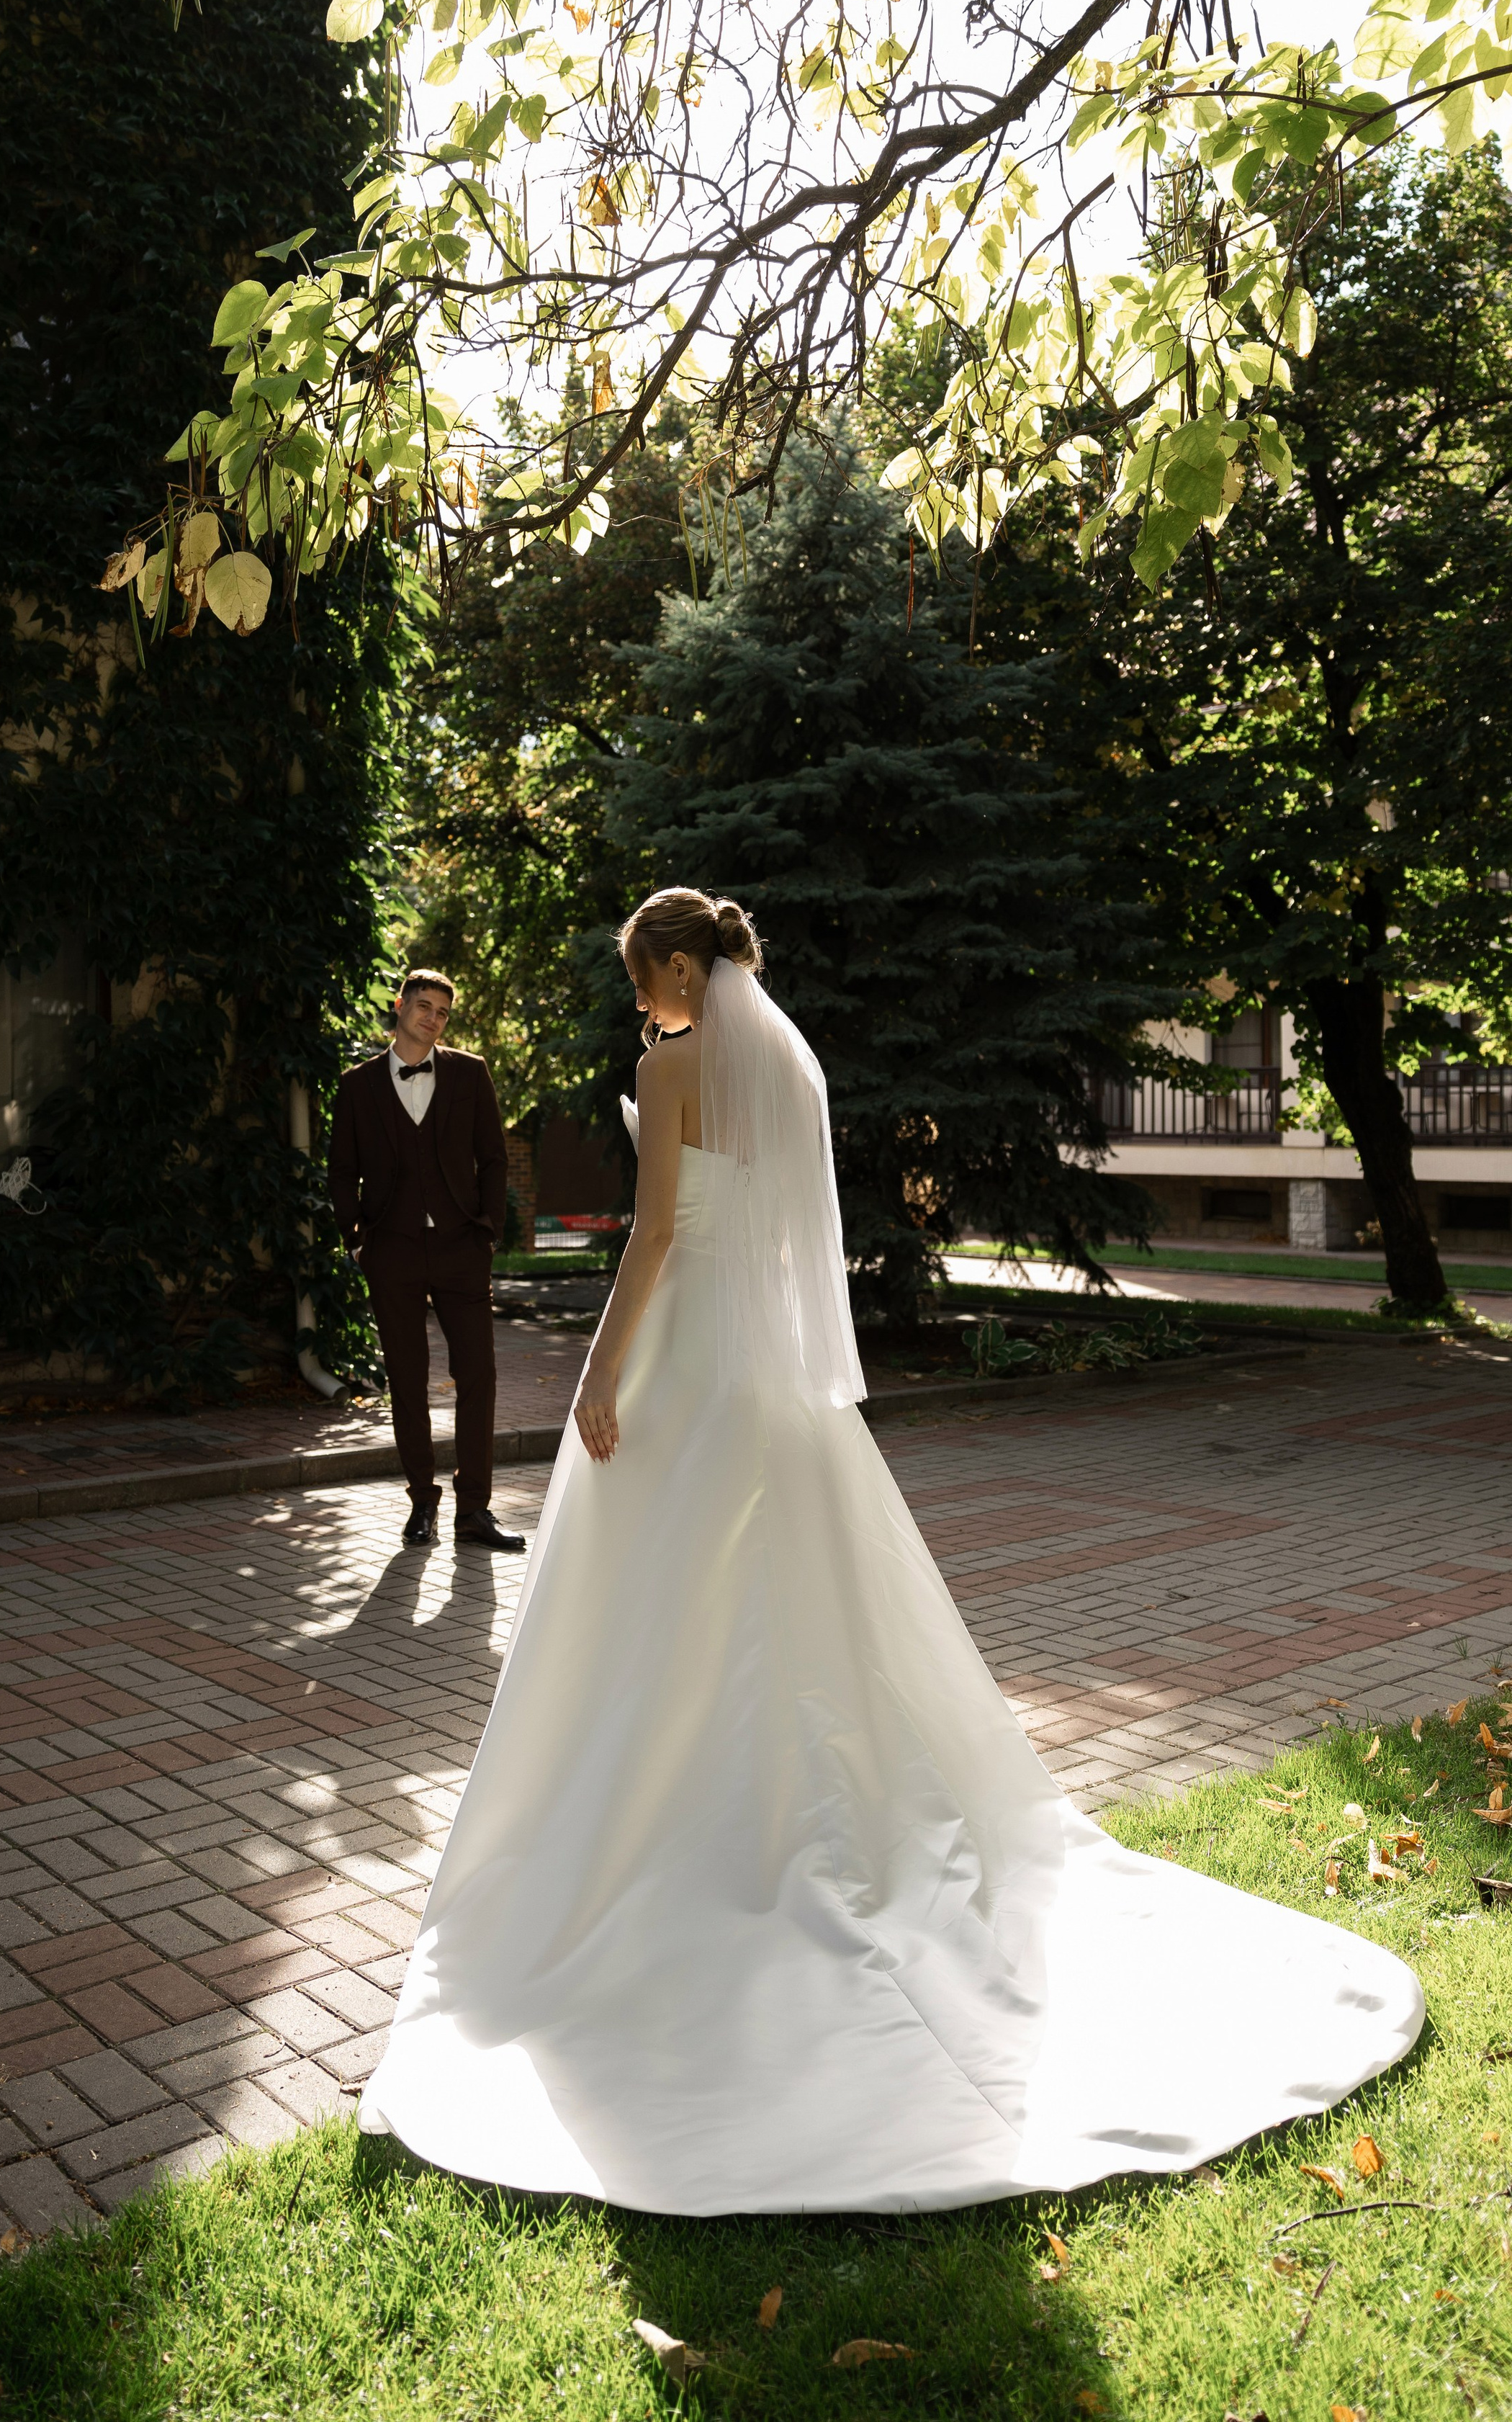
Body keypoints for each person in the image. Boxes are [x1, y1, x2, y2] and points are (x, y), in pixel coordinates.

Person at [359, 887, 1424, 2213]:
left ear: (683, 968)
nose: (639, 1004)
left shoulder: (678, 1064)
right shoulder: (787, 1062)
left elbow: (656, 1234)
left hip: (692, 1360)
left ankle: (674, 1842)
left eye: (645, 979)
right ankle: (811, 1827)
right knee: (799, 1610)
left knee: (657, 1608)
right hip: (776, 1386)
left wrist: (601, 1371)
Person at [328, 970, 524, 1555]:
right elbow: (341, 1171)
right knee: (407, 1380)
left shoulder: (470, 1073)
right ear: (400, 1006)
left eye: (442, 1011)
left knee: (479, 1378)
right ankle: (422, 1505)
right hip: (392, 1249)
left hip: (462, 1246)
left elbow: (492, 1158)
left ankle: (475, 1511)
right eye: (424, 1006)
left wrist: (487, 1229)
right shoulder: (357, 1085)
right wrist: (356, 1239)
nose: (433, 1018)